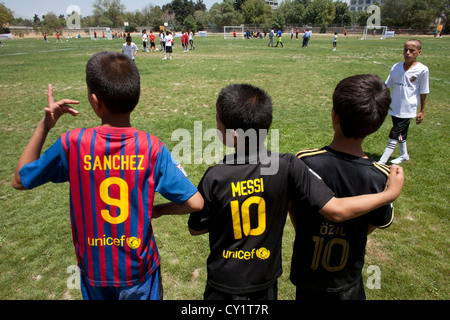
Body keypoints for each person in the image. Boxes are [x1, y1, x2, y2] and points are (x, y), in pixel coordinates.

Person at [11, 51, 203, 300]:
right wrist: (158, 210)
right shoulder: (152, 147)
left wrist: (44, 126)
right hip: (140, 272)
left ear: (94, 101)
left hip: (94, 272)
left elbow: (19, 180)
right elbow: (195, 203)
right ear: (136, 97)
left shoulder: (73, 143)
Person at [187, 83, 404, 300]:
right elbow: (336, 210)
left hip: (224, 283)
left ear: (233, 135)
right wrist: (387, 195)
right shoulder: (288, 166)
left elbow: (196, 228)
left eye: (217, 121)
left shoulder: (215, 176)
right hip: (266, 281)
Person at [289, 74, 395, 300]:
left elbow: (293, 207)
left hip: (308, 272)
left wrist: (307, 231)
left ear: (334, 115)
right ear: (376, 124)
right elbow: (372, 224)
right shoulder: (382, 178)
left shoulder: (304, 162)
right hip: (347, 275)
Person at [378, 39, 429, 164]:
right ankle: (404, 154)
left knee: (395, 132)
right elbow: (387, 85)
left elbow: (424, 91)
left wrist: (422, 111)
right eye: (405, 50)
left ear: (419, 52)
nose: (408, 53)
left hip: (408, 108)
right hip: (394, 106)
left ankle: (382, 161)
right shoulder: (396, 67)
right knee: (401, 133)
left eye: (412, 51)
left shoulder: (423, 70)